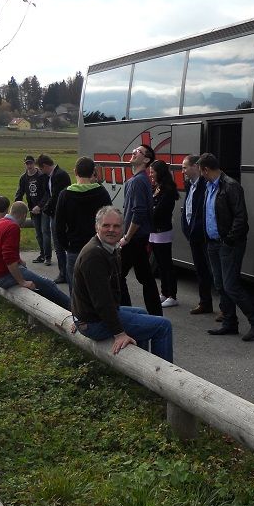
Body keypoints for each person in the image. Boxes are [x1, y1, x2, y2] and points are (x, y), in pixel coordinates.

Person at [72, 206, 173, 362]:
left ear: (122, 228)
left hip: (90, 316)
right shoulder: (94, 256)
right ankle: (165, 377)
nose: (111, 230)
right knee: (163, 326)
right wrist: (119, 333)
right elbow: (102, 301)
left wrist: (78, 315)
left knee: (143, 314)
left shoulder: (110, 248)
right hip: (93, 322)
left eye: (116, 226)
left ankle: (141, 366)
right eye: (106, 225)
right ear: (97, 227)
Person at [198, 153, 254, 341]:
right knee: (220, 284)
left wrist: (229, 239)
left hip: (229, 244)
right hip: (213, 242)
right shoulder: (209, 187)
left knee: (231, 286)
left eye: (201, 172)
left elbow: (240, 217)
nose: (201, 175)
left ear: (206, 169)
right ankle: (229, 323)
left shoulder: (230, 186)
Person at [0, 200, 71, 309]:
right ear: (24, 215)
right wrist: (22, 282)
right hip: (2, 275)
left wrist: (19, 260)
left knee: (40, 285)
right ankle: (75, 311)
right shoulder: (12, 227)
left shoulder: (0, 222)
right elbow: (9, 259)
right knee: (49, 284)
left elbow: (5, 250)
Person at [54, 156, 111, 293]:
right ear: (93, 173)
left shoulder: (65, 195)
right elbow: (109, 220)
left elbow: (58, 226)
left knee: (76, 292)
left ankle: (78, 314)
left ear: (75, 172)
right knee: (98, 289)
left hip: (74, 248)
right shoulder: (101, 192)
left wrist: (65, 245)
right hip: (97, 247)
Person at [118, 143, 163, 316]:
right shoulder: (139, 179)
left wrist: (127, 237)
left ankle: (127, 313)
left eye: (138, 152)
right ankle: (156, 314)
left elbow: (139, 213)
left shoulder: (138, 181)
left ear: (146, 159)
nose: (133, 152)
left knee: (117, 275)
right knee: (146, 278)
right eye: (134, 150)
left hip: (135, 239)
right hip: (139, 238)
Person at [180, 154, 214, 316]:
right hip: (193, 235)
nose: (182, 171)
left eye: (185, 167)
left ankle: (225, 308)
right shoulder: (190, 184)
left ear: (196, 167)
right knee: (200, 270)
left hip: (204, 235)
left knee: (214, 272)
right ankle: (205, 302)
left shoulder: (205, 185)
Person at [149, 159, 179, 308]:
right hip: (154, 230)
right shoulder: (157, 187)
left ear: (159, 172)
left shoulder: (167, 190)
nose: (151, 175)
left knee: (166, 264)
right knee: (159, 264)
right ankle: (164, 292)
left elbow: (159, 211)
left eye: (153, 172)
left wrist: (149, 212)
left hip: (163, 230)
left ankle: (172, 294)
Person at [39, 154, 72, 284]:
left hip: (59, 215)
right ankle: (64, 272)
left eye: (41, 169)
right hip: (55, 214)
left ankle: (64, 273)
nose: (41, 172)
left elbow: (56, 196)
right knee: (59, 245)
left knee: (59, 245)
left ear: (45, 166)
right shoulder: (52, 176)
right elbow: (49, 194)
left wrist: (45, 210)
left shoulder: (59, 175)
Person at [14, 155, 49, 264]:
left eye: (30, 163)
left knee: (45, 232)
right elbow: (20, 193)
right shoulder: (23, 178)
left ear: (34, 163)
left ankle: (48, 257)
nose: (29, 165)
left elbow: (47, 193)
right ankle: (42, 254)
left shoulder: (42, 176)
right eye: (27, 163)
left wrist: (40, 206)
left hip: (44, 209)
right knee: (38, 233)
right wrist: (17, 206)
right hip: (32, 209)